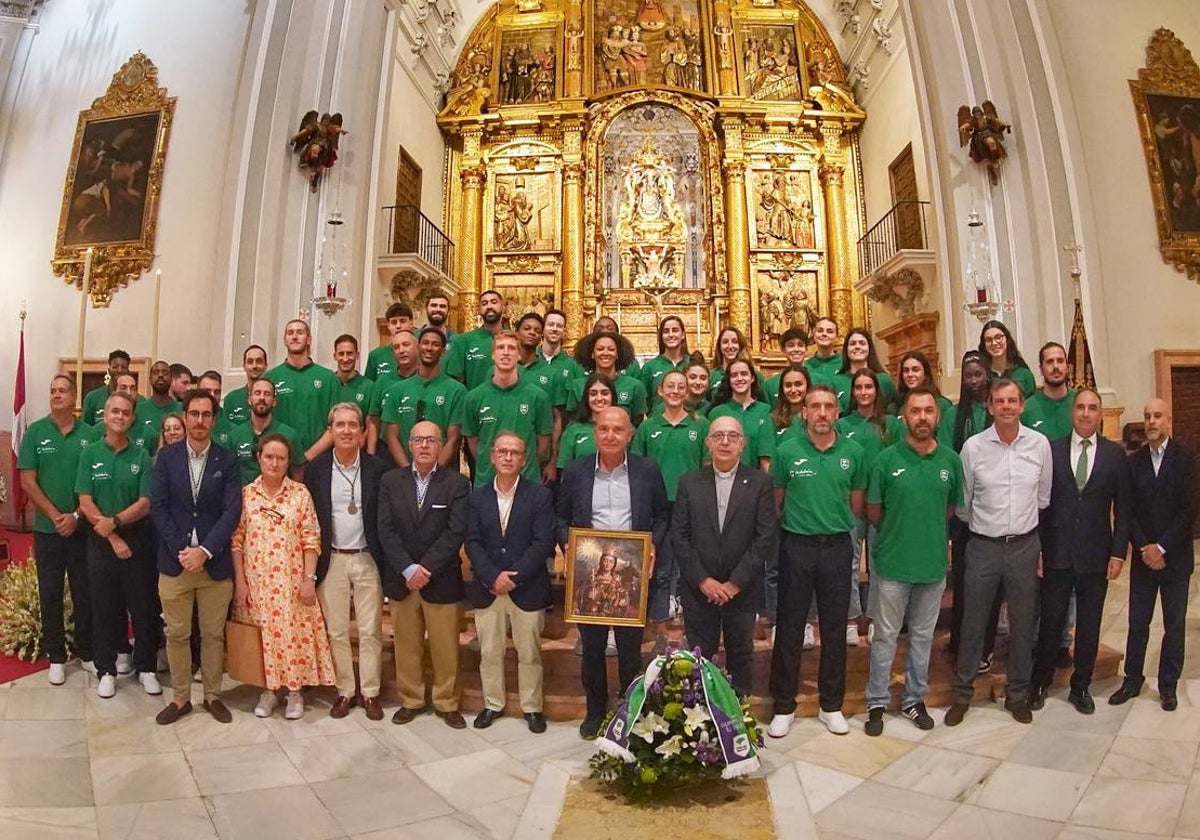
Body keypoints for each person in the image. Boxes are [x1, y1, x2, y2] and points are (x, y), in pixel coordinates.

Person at [945, 379, 1052, 726]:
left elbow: (1043, 497)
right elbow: (964, 502)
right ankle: (962, 694)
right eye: (999, 401)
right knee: (973, 623)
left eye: (1012, 401)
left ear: (1022, 406)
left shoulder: (1039, 445)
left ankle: (1018, 694)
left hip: (1024, 546)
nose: (1006, 406)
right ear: (990, 407)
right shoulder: (974, 448)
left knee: (1021, 626)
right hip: (983, 548)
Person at [558, 407, 669, 739]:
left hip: (629, 574)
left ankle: (629, 707)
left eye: (617, 430)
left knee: (630, 646)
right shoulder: (577, 471)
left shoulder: (647, 470)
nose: (610, 435)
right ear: (595, 433)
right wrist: (568, 546)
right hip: (590, 573)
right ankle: (595, 709)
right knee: (591, 646)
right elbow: (560, 517)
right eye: (603, 429)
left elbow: (663, 515)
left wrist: (653, 546)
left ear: (629, 435)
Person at [767, 385, 867, 738]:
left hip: (838, 546)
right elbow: (777, 500)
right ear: (804, 413)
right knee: (790, 627)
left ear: (837, 412)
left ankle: (831, 704)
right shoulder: (786, 451)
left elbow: (855, 503)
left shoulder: (853, 452)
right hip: (797, 546)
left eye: (829, 406)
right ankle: (783, 705)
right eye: (815, 406)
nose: (822, 412)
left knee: (835, 629)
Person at [863, 387, 963, 736]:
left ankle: (913, 699)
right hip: (893, 563)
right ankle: (876, 701)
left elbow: (949, 508)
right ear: (903, 417)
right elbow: (873, 510)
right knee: (886, 636)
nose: (922, 417)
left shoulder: (950, 461)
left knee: (922, 637)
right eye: (915, 411)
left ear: (937, 416)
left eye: (928, 411)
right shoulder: (885, 461)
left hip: (932, 564)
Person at [1029, 389, 1130, 714]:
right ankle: (1040, 683)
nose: (1086, 413)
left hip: (1096, 555)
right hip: (1057, 552)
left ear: (1100, 414)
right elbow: (1042, 506)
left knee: (1089, 625)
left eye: (1093, 408)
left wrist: (1118, 554)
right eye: (1081, 408)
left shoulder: (1115, 455)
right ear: (1073, 412)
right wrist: (1040, 550)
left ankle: (1081, 686)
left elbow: (1124, 509)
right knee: (1051, 623)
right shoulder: (1053, 451)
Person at [149, 389, 243, 725]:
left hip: (214, 564)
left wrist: (204, 551)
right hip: (174, 564)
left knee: (213, 635)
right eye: (194, 414)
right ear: (184, 416)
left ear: (214, 420)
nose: (199, 421)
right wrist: (183, 551)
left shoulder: (227, 459)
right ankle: (180, 698)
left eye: (206, 415)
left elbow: (232, 510)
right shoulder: (166, 458)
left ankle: (213, 696)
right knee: (176, 634)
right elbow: (158, 508)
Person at [231, 434, 336, 720]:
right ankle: (268, 691)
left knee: (292, 637)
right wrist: (240, 582)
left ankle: (294, 692)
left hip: (291, 583)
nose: (274, 463)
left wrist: (309, 579)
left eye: (281, 458)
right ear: (259, 458)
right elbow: (236, 541)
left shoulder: (300, 494)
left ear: (288, 462)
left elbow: (311, 538)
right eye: (269, 457)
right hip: (258, 583)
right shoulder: (246, 495)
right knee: (263, 637)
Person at [672, 416, 777, 697]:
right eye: (718, 436)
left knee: (740, 653)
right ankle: (702, 712)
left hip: (741, 589)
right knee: (699, 654)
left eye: (732, 436)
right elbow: (680, 536)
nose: (725, 441)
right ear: (707, 443)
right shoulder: (689, 482)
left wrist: (734, 584)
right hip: (699, 589)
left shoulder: (760, 482)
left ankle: (737, 711)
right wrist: (703, 581)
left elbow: (764, 538)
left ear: (743, 443)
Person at [378, 421, 471, 727]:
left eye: (431, 440)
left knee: (446, 647)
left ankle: (446, 702)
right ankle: (411, 699)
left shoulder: (456, 483)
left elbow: (455, 531)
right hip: (402, 578)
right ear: (409, 444)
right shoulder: (391, 481)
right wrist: (407, 568)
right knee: (407, 644)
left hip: (440, 577)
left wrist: (426, 568)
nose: (424, 446)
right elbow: (385, 529)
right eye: (418, 440)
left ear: (441, 445)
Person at [1109, 398, 1197, 712]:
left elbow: (1189, 510)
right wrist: (1145, 546)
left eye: (1158, 416)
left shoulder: (1186, 458)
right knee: (1138, 622)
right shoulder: (1133, 462)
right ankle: (1132, 680)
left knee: (1173, 624)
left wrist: (1162, 547)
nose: (1151, 421)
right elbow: (1126, 511)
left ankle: (1168, 686)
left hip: (1175, 558)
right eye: (1147, 416)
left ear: (1169, 420)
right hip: (1144, 558)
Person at [304, 403, 388, 720]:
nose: (347, 430)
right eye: (340, 425)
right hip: (333, 558)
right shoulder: (316, 470)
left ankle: (370, 693)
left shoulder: (378, 469)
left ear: (363, 432)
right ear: (331, 431)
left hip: (368, 557)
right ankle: (344, 691)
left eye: (353, 425)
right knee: (337, 631)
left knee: (370, 631)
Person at [466, 431, 555, 733]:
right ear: (491, 456)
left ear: (524, 458)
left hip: (526, 587)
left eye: (514, 453)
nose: (507, 457)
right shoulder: (476, 497)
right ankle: (493, 703)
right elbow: (473, 542)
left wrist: (513, 576)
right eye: (502, 452)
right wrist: (492, 576)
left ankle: (532, 708)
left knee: (529, 652)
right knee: (490, 652)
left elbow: (543, 542)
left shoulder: (539, 495)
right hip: (487, 587)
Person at [75, 392, 159, 699]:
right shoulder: (90, 454)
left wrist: (118, 524)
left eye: (126, 413)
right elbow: (84, 499)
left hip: (136, 541)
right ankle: (106, 670)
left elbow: (146, 502)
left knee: (142, 607)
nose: (120, 417)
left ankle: (146, 667)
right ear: (105, 416)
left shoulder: (140, 456)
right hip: (99, 541)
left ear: (132, 418)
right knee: (104, 607)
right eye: (114, 411)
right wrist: (110, 533)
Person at [18, 375, 95, 684]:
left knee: (84, 591)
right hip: (47, 530)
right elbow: (27, 480)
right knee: (49, 592)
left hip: (81, 527)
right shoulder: (35, 433)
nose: (57, 395)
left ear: (74, 397)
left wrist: (76, 515)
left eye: (63, 391)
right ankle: (56, 657)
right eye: (52, 391)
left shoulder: (90, 434)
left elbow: (92, 481)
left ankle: (86, 651)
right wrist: (54, 515)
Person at [633, 370, 710, 645]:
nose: (676, 391)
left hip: (692, 506)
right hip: (659, 508)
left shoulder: (700, 426)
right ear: (661, 392)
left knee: (692, 569)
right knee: (662, 568)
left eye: (681, 386)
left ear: (687, 392)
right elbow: (638, 469)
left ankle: (693, 631)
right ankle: (660, 632)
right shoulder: (647, 428)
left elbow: (706, 466)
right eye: (670, 386)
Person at [835, 369, 904, 646]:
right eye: (859, 387)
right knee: (848, 561)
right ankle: (851, 618)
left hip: (882, 501)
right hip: (850, 501)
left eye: (869, 387)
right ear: (853, 392)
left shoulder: (890, 424)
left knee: (879, 562)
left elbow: (899, 460)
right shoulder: (843, 425)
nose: (864, 392)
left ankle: (876, 617)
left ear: (877, 391)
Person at [463, 331, 553, 486]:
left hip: (527, 483)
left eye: (511, 348)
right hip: (487, 483)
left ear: (519, 355)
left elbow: (543, 445)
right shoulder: (473, 398)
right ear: (492, 354)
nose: (506, 353)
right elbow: (473, 443)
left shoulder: (538, 397)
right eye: (500, 347)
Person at [382, 327, 466, 469]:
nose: (429, 348)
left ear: (443, 351)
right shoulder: (397, 390)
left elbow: (454, 439)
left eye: (435, 344)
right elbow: (391, 437)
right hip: (405, 474)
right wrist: (409, 473)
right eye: (425, 343)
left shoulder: (457, 391)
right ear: (418, 347)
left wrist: (433, 474)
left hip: (443, 476)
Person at [265, 319, 337, 459]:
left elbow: (334, 425)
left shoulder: (328, 378)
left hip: (318, 459)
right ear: (285, 340)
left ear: (309, 339)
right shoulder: (270, 378)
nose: (295, 336)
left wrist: (308, 456)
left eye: (300, 332)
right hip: (279, 460)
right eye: (290, 333)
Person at [228, 378, 304, 484]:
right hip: (243, 498)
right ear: (249, 400)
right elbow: (228, 475)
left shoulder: (289, 435)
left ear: (274, 401)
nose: (262, 398)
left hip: (280, 498)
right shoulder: (234, 436)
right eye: (257, 393)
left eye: (267, 394)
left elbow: (298, 474)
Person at [567, 332, 648, 423]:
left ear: (617, 354)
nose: (605, 353)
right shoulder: (577, 385)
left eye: (611, 349)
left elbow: (637, 423)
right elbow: (572, 420)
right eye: (600, 349)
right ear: (592, 354)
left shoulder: (634, 386)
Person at [706, 359, 773, 470]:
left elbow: (766, 460)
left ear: (752, 378)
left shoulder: (765, 411)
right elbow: (709, 457)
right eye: (734, 375)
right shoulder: (716, 413)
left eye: (744, 374)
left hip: (755, 483)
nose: (739, 378)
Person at [369, 329, 420, 458]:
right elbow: (374, 421)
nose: (401, 350)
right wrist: (370, 456)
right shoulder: (382, 381)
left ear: (418, 347)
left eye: (406, 345)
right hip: (387, 452)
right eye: (396, 347)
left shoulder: (425, 380)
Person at [446, 289, 506, 390]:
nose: (489, 306)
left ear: (503, 307)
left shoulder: (515, 341)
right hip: (474, 404)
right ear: (479, 309)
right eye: (484, 303)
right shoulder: (463, 341)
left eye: (494, 302)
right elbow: (455, 380)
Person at [831, 328, 896, 415]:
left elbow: (893, 411)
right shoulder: (836, 381)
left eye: (862, 343)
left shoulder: (884, 380)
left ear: (869, 348)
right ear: (846, 349)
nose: (857, 347)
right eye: (852, 344)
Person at [558, 373, 615, 469]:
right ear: (586, 397)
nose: (599, 398)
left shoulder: (625, 428)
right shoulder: (573, 430)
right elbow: (565, 470)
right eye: (593, 394)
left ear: (613, 396)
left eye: (605, 393)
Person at [1022, 342, 1076, 441]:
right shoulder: (1026, 409)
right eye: (1050, 362)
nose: (1056, 366)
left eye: (1060, 361)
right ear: (1041, 369)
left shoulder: (1081, 402)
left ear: (1068, 367)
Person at [641, 316, 691, 409]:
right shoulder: (650, 367)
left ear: (683, 335)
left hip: (689, 421)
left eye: (675, 330)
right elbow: (645, 401)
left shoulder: (693, 363)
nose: (671, 335)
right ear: (661, 336)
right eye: (666, 331)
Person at [979, 319, 1036, 398]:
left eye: (998, 337)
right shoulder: (981, 376)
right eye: (988, 340)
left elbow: (1031, 405)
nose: (994, 343)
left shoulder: (1024, 375)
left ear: (1007, 339)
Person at [364, 302, 414, 381]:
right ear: (388, 325)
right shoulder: (376, 356)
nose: (398, 326)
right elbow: (369, 388)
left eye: (402, 321)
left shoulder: (421, 353)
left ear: (411, 323)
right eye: (394, 322)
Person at [81, 349, 131, 425]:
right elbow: (86, 429)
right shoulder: (92, 398)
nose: (119, 370)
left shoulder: (139, 400)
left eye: (123, 367)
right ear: (109, 370)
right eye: (115, 367)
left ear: (128, 371)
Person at [707, 327, 760, 397]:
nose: (730, 346)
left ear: (740, 345)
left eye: (735, 342)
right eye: (725, 342)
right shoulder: (712, 377)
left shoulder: (755, 376)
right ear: (719, 346)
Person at [223, 345, 268, 426]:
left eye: (259, 361)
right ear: (244, 366)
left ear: (266, 366)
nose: (254, 366)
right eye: (250, 362)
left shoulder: (272, 398)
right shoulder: (231, 399)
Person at [332, 334, 376, 413]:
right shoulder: (327, 384)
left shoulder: (369, 387)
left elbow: (371, 421)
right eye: (341, 354)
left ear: (357, 355)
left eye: (349, 353)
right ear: (335, 356)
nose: (345, 359)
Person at [764, 328, 807, 406]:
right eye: (791, 345)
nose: (796, 349)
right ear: (783, 350)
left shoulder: (819, 380)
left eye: (800, 345)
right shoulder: (769, 385)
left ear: (806, 349)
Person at [136, 361, 182, 431]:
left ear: (171, 379)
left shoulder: (181, 409)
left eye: (165, 373)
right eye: (156, 372)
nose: (160, 375)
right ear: (150, 379)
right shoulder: (139, 409)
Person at [804, 317, 841, 386]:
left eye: (829, 331)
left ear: (836, 337)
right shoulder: (806, 366)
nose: (824, 334)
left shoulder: (845, 364)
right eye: (820, 330)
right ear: (814, 335)